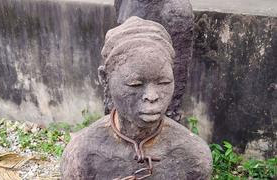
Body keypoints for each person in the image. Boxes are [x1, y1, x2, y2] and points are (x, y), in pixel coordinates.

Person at [61, 16, 212, 180]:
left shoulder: (194, 155)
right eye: (135, 84)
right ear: (105, 79)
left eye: (164, 82)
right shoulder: (82, 156)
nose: (152, 96)